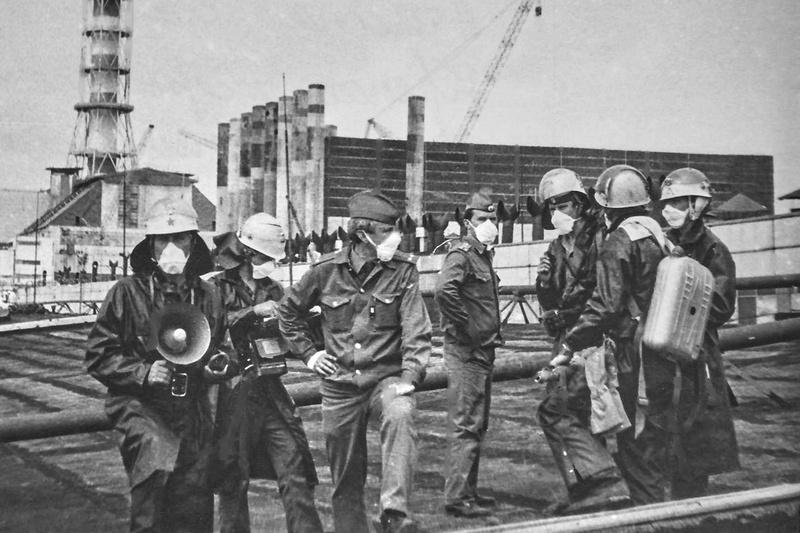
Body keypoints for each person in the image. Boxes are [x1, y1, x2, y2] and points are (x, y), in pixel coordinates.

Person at [278, 190, 431, 533]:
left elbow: (416, 329)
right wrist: (310, 354)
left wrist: (410, 375)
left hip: (385, 380)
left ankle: (394, 515)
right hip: (340, 387)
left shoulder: (404, 270)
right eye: (388, 231)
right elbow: (287, 312)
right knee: (346, 478)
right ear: (362, 235)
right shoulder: (324, 271)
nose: (396, 237)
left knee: (400, 411)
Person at [86, 197, 228, 533]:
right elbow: (98, 354)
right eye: (163, 239)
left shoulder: (208, 295)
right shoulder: (126, 293)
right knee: (155, 466)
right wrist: (143, 373)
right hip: (140, 405)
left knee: (195, 495)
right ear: (150, 245)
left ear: (193, 243)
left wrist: (219, 364)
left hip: (191, 406)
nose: (171, 247)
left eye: (180, 238)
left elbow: (224, 347)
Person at [557, 165, 669, 505]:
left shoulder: (619, 240)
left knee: (630, 438)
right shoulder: (657, 236)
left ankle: (647, 514)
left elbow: (604, 304)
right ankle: (654, 508)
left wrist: (571, 342)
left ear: (608, 207)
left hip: (630, 351)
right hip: (659, 345)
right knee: (649, 438)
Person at [212, 213, 323, 533]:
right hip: (234, 392)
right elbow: (210, 325)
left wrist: (304, 319)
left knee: (294, 468)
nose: (270, 263)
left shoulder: (274, 288)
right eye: (265, 257)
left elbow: (290, 329)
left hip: (270, 391)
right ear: (247, 253)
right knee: (234, 478)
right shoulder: (216, 286)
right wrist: (253, 312)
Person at [534, 168, 631, 514]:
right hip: (567, 338)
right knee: (563, 409)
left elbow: (601, 290)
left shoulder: (599, 237)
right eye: (551, 207)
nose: (556, 213)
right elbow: (550, 301)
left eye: (562, 205)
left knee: (558, 409)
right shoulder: (556, 247)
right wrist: (543, 282)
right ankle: (583, 487)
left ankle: (601, 477)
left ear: (579, 203)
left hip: (591, 337)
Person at [659, 167, 739, 499]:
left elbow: (721, 306)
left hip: (697, 354)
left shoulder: (714, 249)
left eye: (677, 202)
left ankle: (691, 508)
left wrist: (682, 295)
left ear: (697, 205)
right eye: (666, 203)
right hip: (659, 351)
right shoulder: (662, 241)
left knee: (695, 440)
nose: (668, 210)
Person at [434, 192, 502, 518]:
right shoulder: (461, 254)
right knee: (466, 424)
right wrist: (468, 328)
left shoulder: (484, 256)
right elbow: (443, 290)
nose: (489, 224)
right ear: (467, 223)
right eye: (482, 219)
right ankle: (458, 497)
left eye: (493, 219)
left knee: (477, 424)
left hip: (483, 350)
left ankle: (468, 492)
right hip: (466, 350)